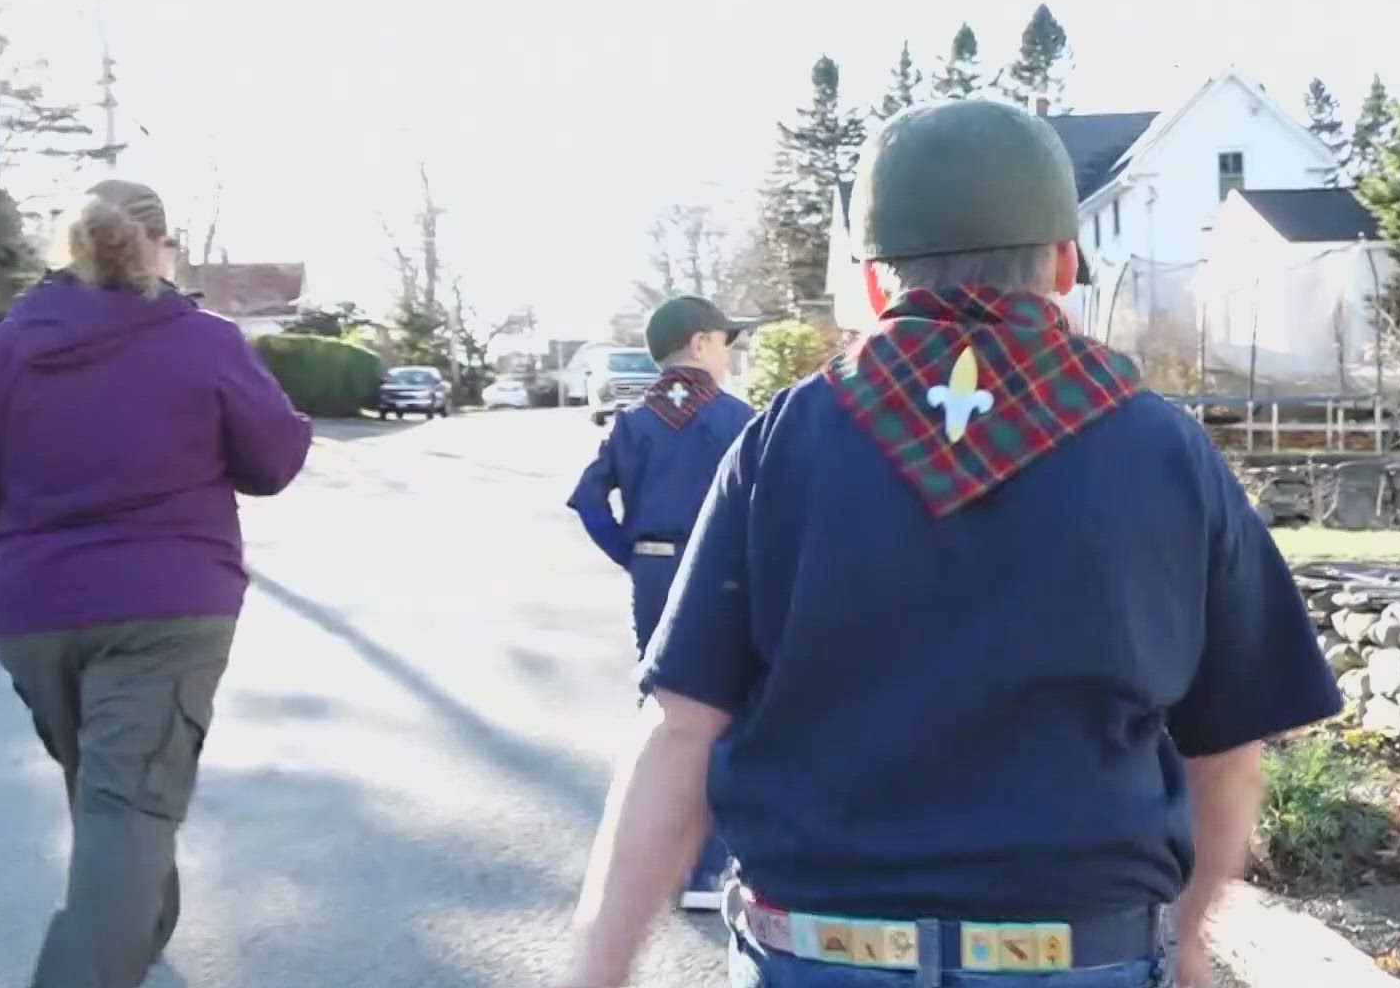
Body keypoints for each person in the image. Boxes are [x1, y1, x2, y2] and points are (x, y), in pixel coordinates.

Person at [560, 101, 1341, 988]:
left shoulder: (785, 442)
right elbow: (1228, 755)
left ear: (876, 282)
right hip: (1082, 957)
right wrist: (1189, 939)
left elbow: (680, 731)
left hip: (820, 957)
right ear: (1063, 261)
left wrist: (598, 968)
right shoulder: (1165, 450)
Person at [0, 178, 312, 988]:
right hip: (166, 604)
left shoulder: (9, 344)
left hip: (35, 608)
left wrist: (38, 513)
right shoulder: (201, 340)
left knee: (111, 789)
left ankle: (141, 930)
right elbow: (273, 461)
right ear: (159, 246)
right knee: (127, 803)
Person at [567, 294, 755, 912]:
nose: (729, 356)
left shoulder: (631, 421)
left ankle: (655, 865)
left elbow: (590, 500)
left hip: (653, 571)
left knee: (666, 713)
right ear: (701, 344)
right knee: (725, 710)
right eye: (726, 343)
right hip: (722, 575)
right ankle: (710, 869)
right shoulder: (737, 419)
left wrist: (631, 552)